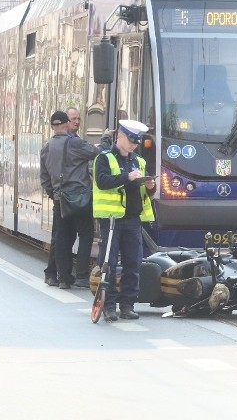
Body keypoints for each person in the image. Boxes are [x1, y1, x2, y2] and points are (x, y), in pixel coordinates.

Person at [93, 119, 156, 322]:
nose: (133, 145)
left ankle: (127, 305)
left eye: (136, 142)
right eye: (130, 140)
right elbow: (102, 182)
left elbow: (147, 191)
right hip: (111, 220)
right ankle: (109, 305)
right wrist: (126, 177)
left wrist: (150, 185)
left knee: (133, 263)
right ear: (119, 136)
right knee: (109, 264)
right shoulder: (104, 158)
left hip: (133, 219)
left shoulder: (139, 161)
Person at [40, 111, 103, 289]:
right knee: (85, 235)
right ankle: (82, 275)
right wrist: (105, 140)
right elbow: (96, 153)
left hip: (60, 199)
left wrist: (55, 194)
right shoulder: (74, 142)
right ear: (67, 124)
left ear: (52, 126)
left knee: (62, 238)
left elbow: (44, 177)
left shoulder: (46, 147)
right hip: (80, 197)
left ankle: (63, 278)